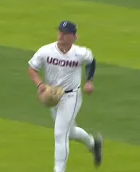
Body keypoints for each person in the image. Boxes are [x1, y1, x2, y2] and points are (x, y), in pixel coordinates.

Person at [27, 20, 103, 172]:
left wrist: (89, 80)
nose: (61, 35)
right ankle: (94, 144)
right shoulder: (46, 51)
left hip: (71, 97)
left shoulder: (80, 53)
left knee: (60, 133)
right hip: (53, 96)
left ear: (74, 37)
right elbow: (32, 69)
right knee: (71, 132)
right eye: (60, 32)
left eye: (66, 33)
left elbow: (91, 61)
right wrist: (40, 85)